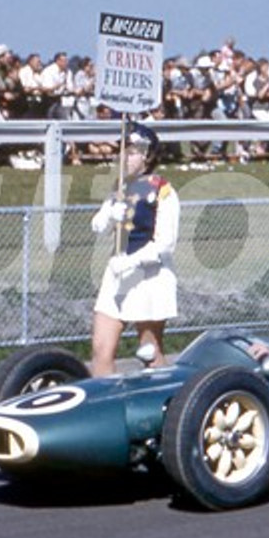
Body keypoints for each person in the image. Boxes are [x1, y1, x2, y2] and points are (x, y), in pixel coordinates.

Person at [89, 123, 179, 375]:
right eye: (123, 151)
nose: (124, 157)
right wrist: (109, 214)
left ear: (147, 156)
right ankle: (104, 406)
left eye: (132, 152)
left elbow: (165, 244)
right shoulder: (119, 188)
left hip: (148, 276)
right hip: (116, 273)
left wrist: (131, 262)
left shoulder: (162, 190)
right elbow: (97, 226)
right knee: (101, 349)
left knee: (150, 351)